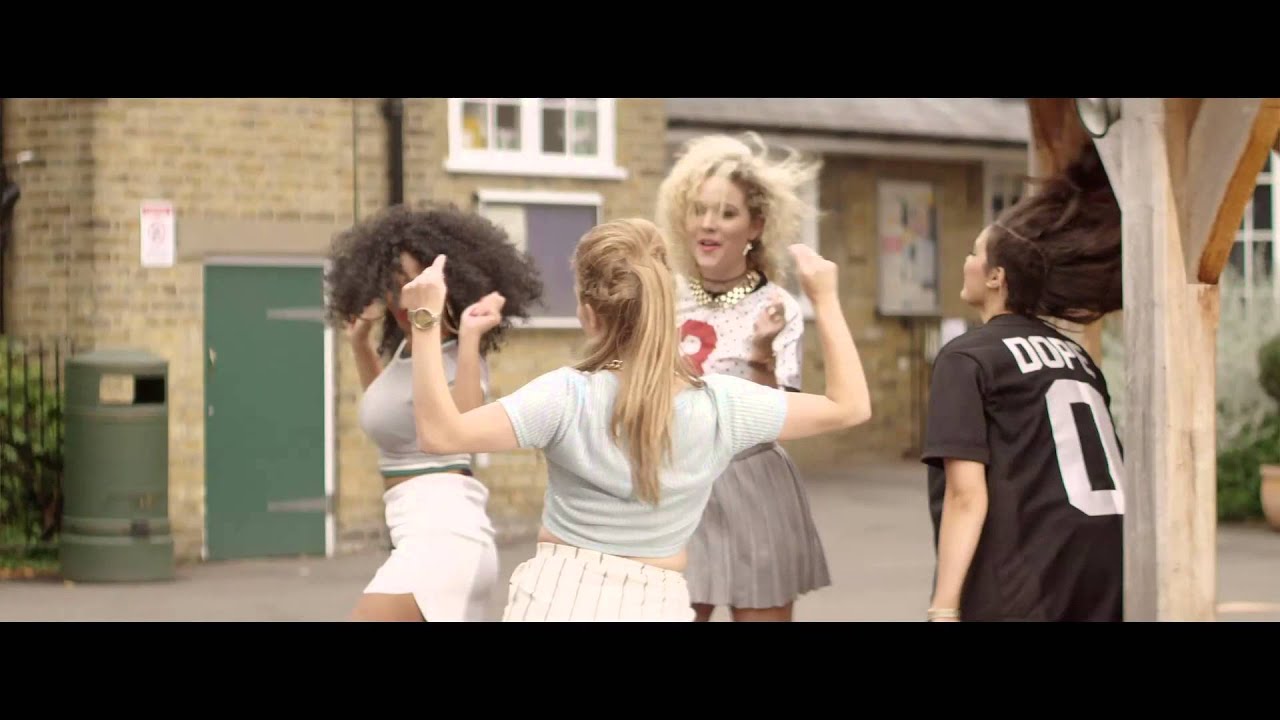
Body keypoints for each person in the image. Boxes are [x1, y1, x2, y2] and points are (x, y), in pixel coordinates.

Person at [398, 217, 871, 621]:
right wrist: (825, 298)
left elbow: (440, 435)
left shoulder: (564, 396)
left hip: (556, 598)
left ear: (588, 315)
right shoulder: (722, 406)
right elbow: (850, 406)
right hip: (659, 604)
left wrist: (424, 320)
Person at [921, 144, 1125, 622]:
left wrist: (944, 607)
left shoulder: (967, 357)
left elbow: (966, 495)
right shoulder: (1077, 357)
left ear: (996, 277)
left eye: (974, 253)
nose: (966, 261)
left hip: (1026, 577)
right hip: (1106, 565)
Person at [324, 204, 543, 622]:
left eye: (415, 284)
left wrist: (465, 335)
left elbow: (461, 427)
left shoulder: (457, 351)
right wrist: (361, 345)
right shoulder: (409, 351)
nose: (401, 298)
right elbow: (392, 414)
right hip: (417, 533)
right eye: (392, 286)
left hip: (446, 537)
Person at [654, 132, 830, 622]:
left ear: (755, 226)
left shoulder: (777, 307)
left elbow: (776, 417)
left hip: (751, 485)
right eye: (698, 210)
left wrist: (759, 353)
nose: (708, 224)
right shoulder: (662, 298)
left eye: (727, 213)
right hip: (676, 488)